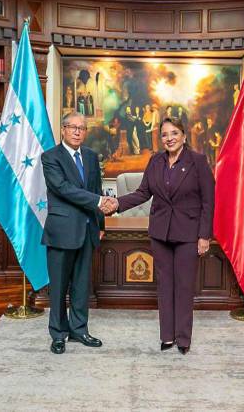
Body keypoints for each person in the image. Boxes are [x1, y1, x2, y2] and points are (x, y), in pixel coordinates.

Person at [105, 117, 215, 355]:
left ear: (184, 136)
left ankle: (183, 338)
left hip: (188, 233)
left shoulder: (197, 161)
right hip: (160, 233)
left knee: (184, 286)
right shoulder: (155, 161)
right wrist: (116, 203)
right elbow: (143, 193)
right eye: (165, 134)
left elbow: (208, 201)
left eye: (174, 133)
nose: (169, 138)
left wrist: (204, 236)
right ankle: (167, 336)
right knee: (164, 286)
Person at [40, 112, 116, 355]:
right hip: (62, 231)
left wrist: (101, 224)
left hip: (87, 230)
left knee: (82, 285)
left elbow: (96, 188)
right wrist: (99, 201)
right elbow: (63, 189)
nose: (76, 132)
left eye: (81, 128)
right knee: (60, 286)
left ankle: (79, 330)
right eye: (72, 127)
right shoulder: (50, 157)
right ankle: (58, 334)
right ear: (63, 130)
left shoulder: (92, 157)